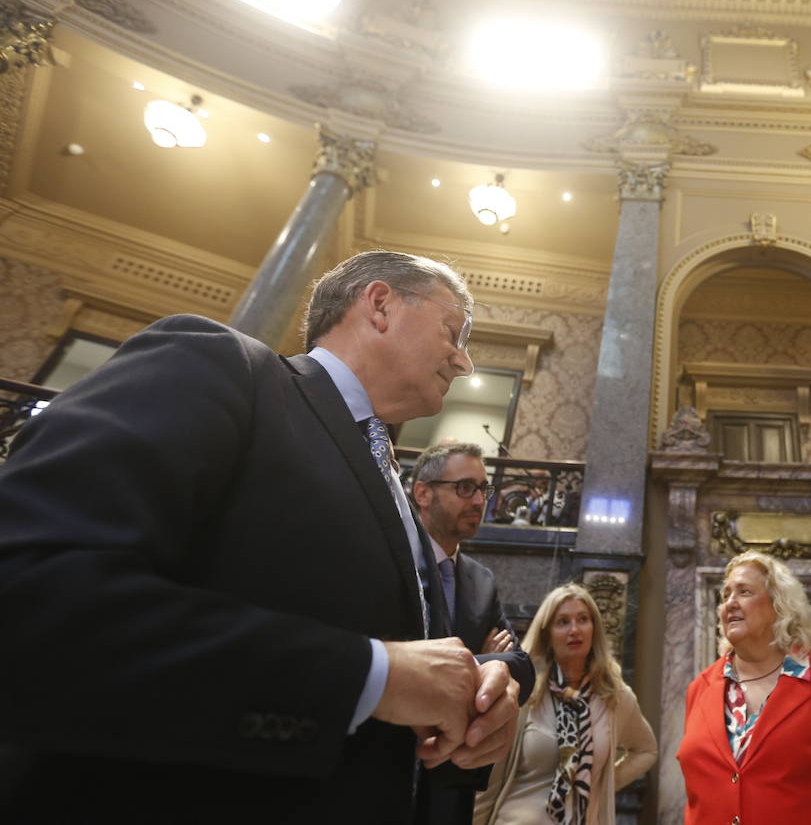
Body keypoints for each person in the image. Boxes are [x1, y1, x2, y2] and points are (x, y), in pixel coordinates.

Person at [0, 250, 533, 823]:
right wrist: (369, 676)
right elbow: (28, 593)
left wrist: (476, 699)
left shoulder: (396, 491)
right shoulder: (217, 364)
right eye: (454, 333)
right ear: (379, 305)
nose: (464, 362)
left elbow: (408, 664)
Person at [677, 551, 811, 825]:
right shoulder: (699, 689)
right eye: (725, 596)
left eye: (744, 592)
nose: (730, 603)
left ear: (780, 605)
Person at [473, 583, 657, 825]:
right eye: (563, 622)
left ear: (594, 629)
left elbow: (647, 751)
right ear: (547, 635)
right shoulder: (525, 691)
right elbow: (490, 781)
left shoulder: (615, 696)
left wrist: (599, 783)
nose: (574, 630)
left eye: (583, 619)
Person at [413, 441, 526, 823]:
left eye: (484, 489)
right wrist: (482, 659)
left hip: (456, 785)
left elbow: (522, 667)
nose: (480, 500)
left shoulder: (482, 580)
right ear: (424, 493)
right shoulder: (395, 558)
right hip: (394, 770)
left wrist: (471, 662)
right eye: (465, 488)